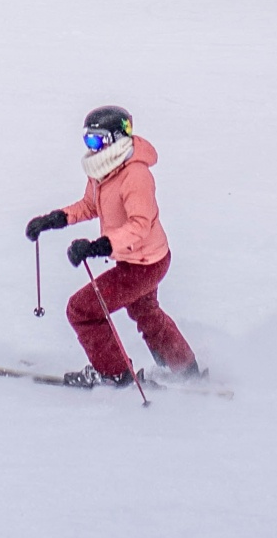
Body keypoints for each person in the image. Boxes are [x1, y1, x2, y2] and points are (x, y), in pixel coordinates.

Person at [25, 105, 200, 388]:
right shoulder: (103, 168)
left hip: (145, 263)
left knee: (82, 309)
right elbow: (90, 205)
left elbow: (140, 225)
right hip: (137, 258)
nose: (91, 148)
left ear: (117, 138)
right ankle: (186, 369)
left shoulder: (136, 175)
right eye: (87, 140)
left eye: (96, 140)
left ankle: (114, 373)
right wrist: (54, 219)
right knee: (145, 311)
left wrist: (98, 247)